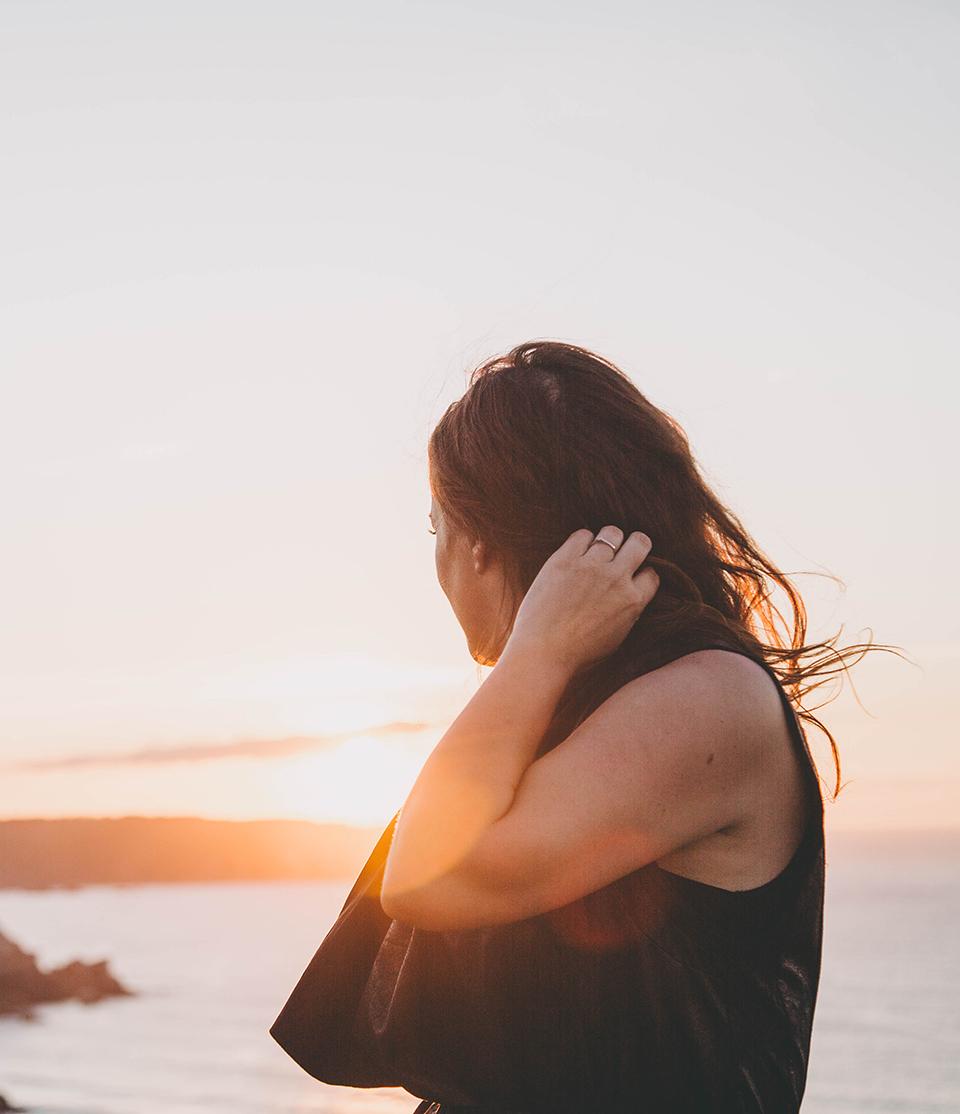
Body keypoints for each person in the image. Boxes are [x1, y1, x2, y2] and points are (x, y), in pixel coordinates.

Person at [270, 340, 901, 1113]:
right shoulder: (589, 703)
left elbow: (427, 880)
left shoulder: (704, 700)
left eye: (434, 528)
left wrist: (533, 653)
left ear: (477, 546)